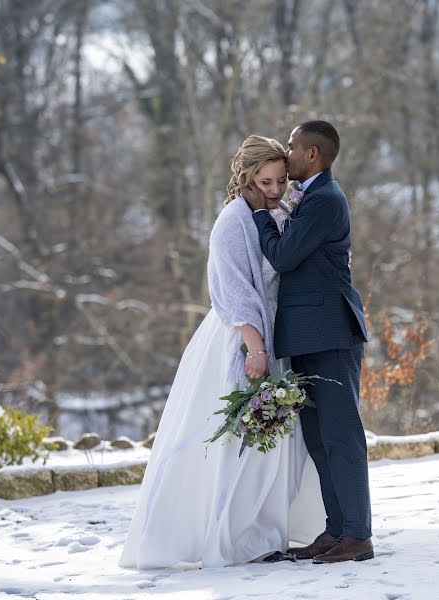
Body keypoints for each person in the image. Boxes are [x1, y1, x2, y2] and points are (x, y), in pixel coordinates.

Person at [119, 135, 324, 569]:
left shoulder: (280, 213)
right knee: (239, 436)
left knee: (275, 439)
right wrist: (255, 349)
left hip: (275, 337)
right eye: (265, 182)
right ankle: (235, 535)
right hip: (243, 337)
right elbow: (233, 291)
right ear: (246, 178)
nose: (274, 190)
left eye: (281, 181)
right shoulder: (233, 222)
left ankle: (268, 531)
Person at [241, 121, 373, 564]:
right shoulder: (311, 197)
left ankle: (358, 535)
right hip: (310, 334)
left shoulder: (325, 201)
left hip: (332, 334)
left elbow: (283, 255)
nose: (288, 151)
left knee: (342, 437)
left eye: (293, 147)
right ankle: (336, 531)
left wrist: (259, 211)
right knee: (318, 438)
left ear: (312, 154)